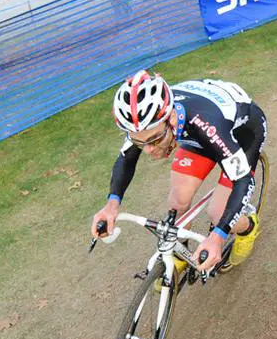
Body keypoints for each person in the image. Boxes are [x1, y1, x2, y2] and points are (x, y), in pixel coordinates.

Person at [91, 71, 267, 273]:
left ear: (172, 118)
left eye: (155, 139)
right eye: (140, 141)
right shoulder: (145, 123)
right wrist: (111, 206)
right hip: (197, 133)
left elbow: (243, 181)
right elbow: (126, 158)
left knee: (218, 213)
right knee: (178, 201)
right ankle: (181, 252)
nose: (149, 150)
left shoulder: (205, 124)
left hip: (242, 133)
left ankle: (248, 228)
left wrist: (218, 236)